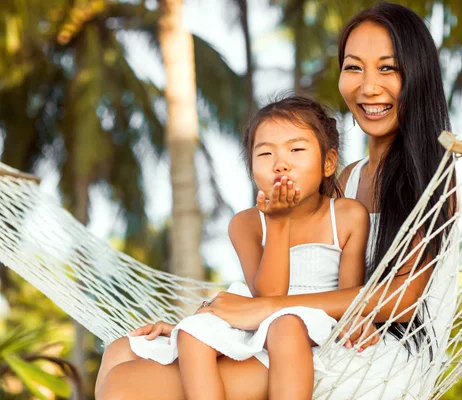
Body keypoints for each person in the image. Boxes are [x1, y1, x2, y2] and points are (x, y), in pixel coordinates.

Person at [95, 2, 457, 399]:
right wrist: (206, 327)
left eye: (387, 68)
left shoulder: (432, 175)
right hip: (304, 329)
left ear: (417, 74)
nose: (368, 86)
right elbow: (298, 262)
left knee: (125, 383)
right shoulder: (348, 178)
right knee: (119, 351)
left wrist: (262, 310)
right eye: (354, 67)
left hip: (374, 353)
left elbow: (403, 301)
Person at [98, 95, 371, 400]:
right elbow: (265, 296)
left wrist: (280, 223)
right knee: (121, 349)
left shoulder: (347, 216)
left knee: (285, 326)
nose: (281, 163)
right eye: (265, 153)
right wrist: (278, 224)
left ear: (328, 163)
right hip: (255, 324)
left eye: (296, 149)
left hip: (306, 335)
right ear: (252, 168)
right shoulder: (246, 224)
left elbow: (348, 300)